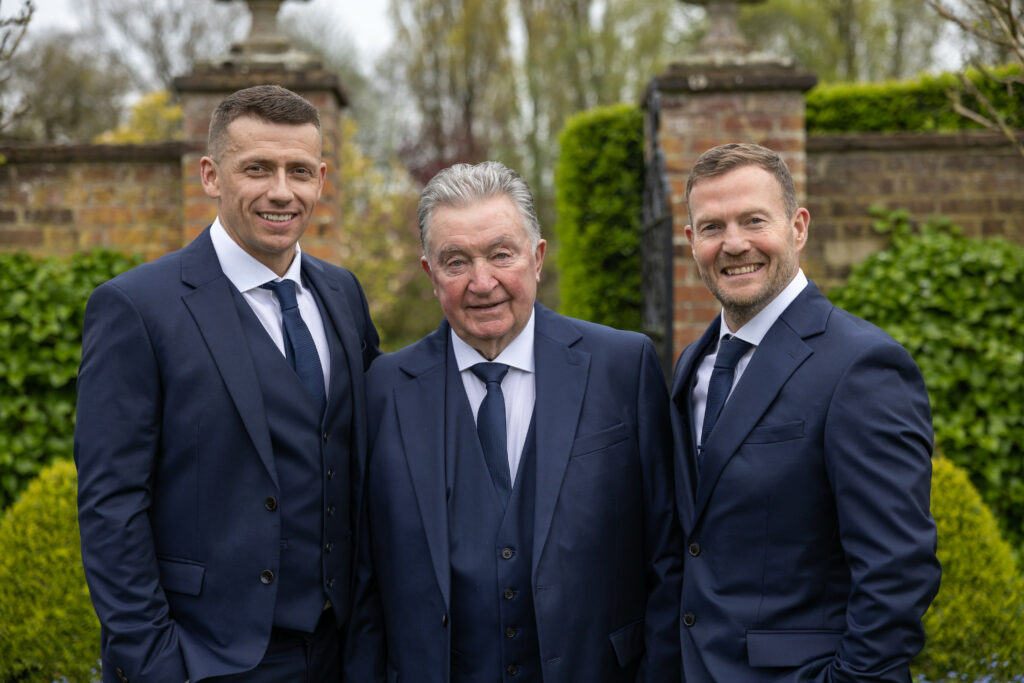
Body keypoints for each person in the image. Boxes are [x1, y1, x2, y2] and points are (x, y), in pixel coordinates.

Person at [75, 84, 380, 683]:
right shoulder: (135, 308)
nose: (281, 191)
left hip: (339, 650)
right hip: (206, 656)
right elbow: (112, 506)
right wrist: (155, 662)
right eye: (257, 168)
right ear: (211, 176)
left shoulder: (343, 293)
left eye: (299, 171)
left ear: (321, 179)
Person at [343, 161, 682, 682]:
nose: (483, 283)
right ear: (431, 274)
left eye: (502, 254)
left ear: (537, 258)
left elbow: (667, 555)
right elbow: (365, 582)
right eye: (456, 262)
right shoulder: (381, 390)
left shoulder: (624, 366)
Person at [670, 142, 940, 681]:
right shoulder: (692, 366)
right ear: (692, 241)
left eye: (754, 220)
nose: (734, 244)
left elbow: (898, 571)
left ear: (798, 227)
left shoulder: (862, 366)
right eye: (712, 227)